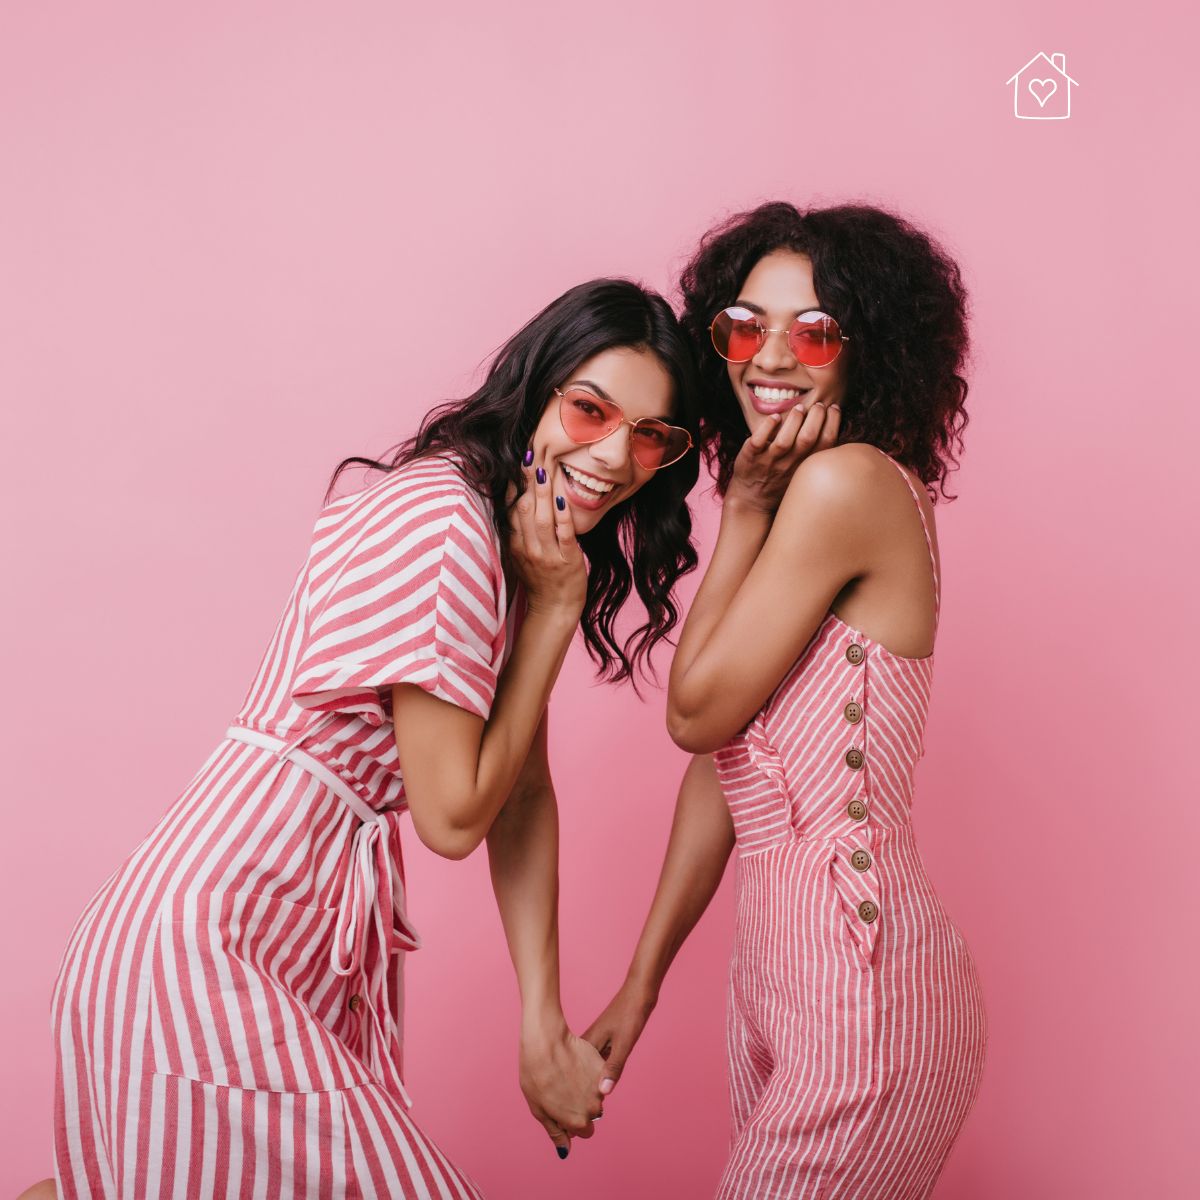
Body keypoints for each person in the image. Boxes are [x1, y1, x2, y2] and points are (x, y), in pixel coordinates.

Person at [45, 278, 700, 1199]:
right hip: (208, 955)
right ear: (537, 386)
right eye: (590, 409)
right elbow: (454, 815)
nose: (614, 455)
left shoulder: (505, 533)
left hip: (258, 939)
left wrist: (541, 1023)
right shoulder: (449, 524)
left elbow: (519, 789)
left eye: (651, 436)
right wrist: (554, 611)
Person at [584, 203, 988, 1199]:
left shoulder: (841, 488)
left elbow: (695, 712)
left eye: (814, 331)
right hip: (781, 988)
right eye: (742, 325)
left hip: (863, 997)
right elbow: (725, 772)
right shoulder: (814, 486)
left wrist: (748, 511)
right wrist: (641, 985)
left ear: (871, 351)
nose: (770, 356)